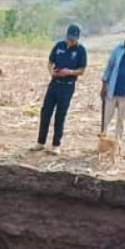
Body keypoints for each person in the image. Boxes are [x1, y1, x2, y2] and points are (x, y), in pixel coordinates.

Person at [32, 24, 87, 156]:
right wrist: (52, 72)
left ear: (78, 38)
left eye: (73, 39)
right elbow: (50, 62)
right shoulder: (59, 46)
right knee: (45, 112)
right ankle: (40, 142)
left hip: (67, 86)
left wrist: (69, 72)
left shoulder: (81, 51)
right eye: (69, 38)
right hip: (54, 83)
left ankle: (56, 144)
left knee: (60, 115)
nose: (70, 41)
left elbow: (82, 70)